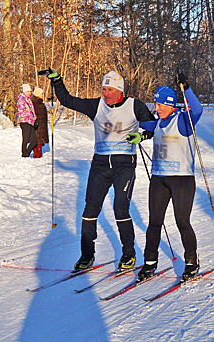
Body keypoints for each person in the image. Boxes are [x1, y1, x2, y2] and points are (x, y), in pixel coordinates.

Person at [45, 69, 156, 272]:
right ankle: (87, 255)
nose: (105, 93)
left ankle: (129, 254)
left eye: (109, 89)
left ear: (119, 90)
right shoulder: (96, 105)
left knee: (120, 208)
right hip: (100, 164)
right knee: (89, 210)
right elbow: (68, 101)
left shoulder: (134, 105)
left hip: (125, 165)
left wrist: (142, 136)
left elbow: (152, 125)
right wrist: (58, 82)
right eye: (104, 89)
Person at [128, 72, 203, 282]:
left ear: (170, 104)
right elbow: (145, 125)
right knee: (154, 222)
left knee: (182, 221)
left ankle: (191, 261)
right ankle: (150, 262)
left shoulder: (183, 120)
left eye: (159, 104)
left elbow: (197, 109)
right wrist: (140, 135)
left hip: (182, 180)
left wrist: (186, 88)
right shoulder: (158, 122)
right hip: (159, 179)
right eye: (155, 103)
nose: (156, 108)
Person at [17, 84, 38, 157]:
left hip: (31, 122)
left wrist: (34, 117)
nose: (30, 93)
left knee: (34, 141)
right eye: (28, 91)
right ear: (24, 92)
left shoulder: (28, 99)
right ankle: (24, 154)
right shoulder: (21, 99)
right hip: (25, 121)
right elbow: (24, 111)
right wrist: (31, 117)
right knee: (25, 139)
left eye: (30, 91)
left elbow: (31, 110)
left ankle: (27, 153)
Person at [31, 87, 49, 158]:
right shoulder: (36, 104)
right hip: (38, 128)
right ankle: (36, 161)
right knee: (38, 145)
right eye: (41, 94)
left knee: (39, 145)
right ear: (37, 94)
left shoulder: (39, 103)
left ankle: (37, 159)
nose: (42, 95)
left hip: (41, 127)